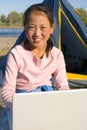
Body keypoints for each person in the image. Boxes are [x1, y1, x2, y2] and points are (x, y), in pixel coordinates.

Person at [1, 3, 69, 130]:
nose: (37, 33)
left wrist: (61, 103)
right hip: (22, 101)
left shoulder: (57, 54)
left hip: (48, 99)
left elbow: (63, 86)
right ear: (25, 28)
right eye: (31, 27)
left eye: (43, 27)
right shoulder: (16, 53)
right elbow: (7, 90)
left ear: (52, 28)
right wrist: (18, 107)